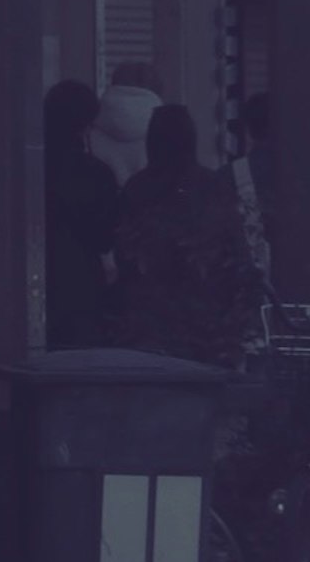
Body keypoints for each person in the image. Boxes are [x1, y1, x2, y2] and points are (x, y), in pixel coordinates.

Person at [107, 105, 267, 369]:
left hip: (148, 317)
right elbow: (236, 251)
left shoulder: (138, 188)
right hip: (206, 317)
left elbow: (124, 252)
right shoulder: (212, 186)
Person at [43, 82, 121, 349]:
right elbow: (105, 237)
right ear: (86, 123)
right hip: (81, 286)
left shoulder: (27, 166)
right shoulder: (96, 174)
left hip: (30, 280)